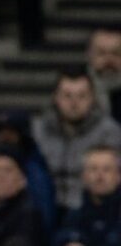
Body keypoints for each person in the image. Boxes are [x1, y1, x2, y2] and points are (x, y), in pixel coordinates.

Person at [32, 69, 121, 212]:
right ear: (56, 97)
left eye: (82, 96)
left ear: (92, 98)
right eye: (67, 95)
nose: (74, 103)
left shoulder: (110, 133)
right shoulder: (38, 131)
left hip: (92, 210)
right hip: (45, 209)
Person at [57, 146, 121, 246]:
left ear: (118, 175)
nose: (99, 176)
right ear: (83, 176)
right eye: (93, 169)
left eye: (107, 169)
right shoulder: (73, 217)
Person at [87, 27, 121, 123]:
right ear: (89, 54)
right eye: (101, 53)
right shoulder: (73, 89)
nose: (109, 60)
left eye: (116, 53)